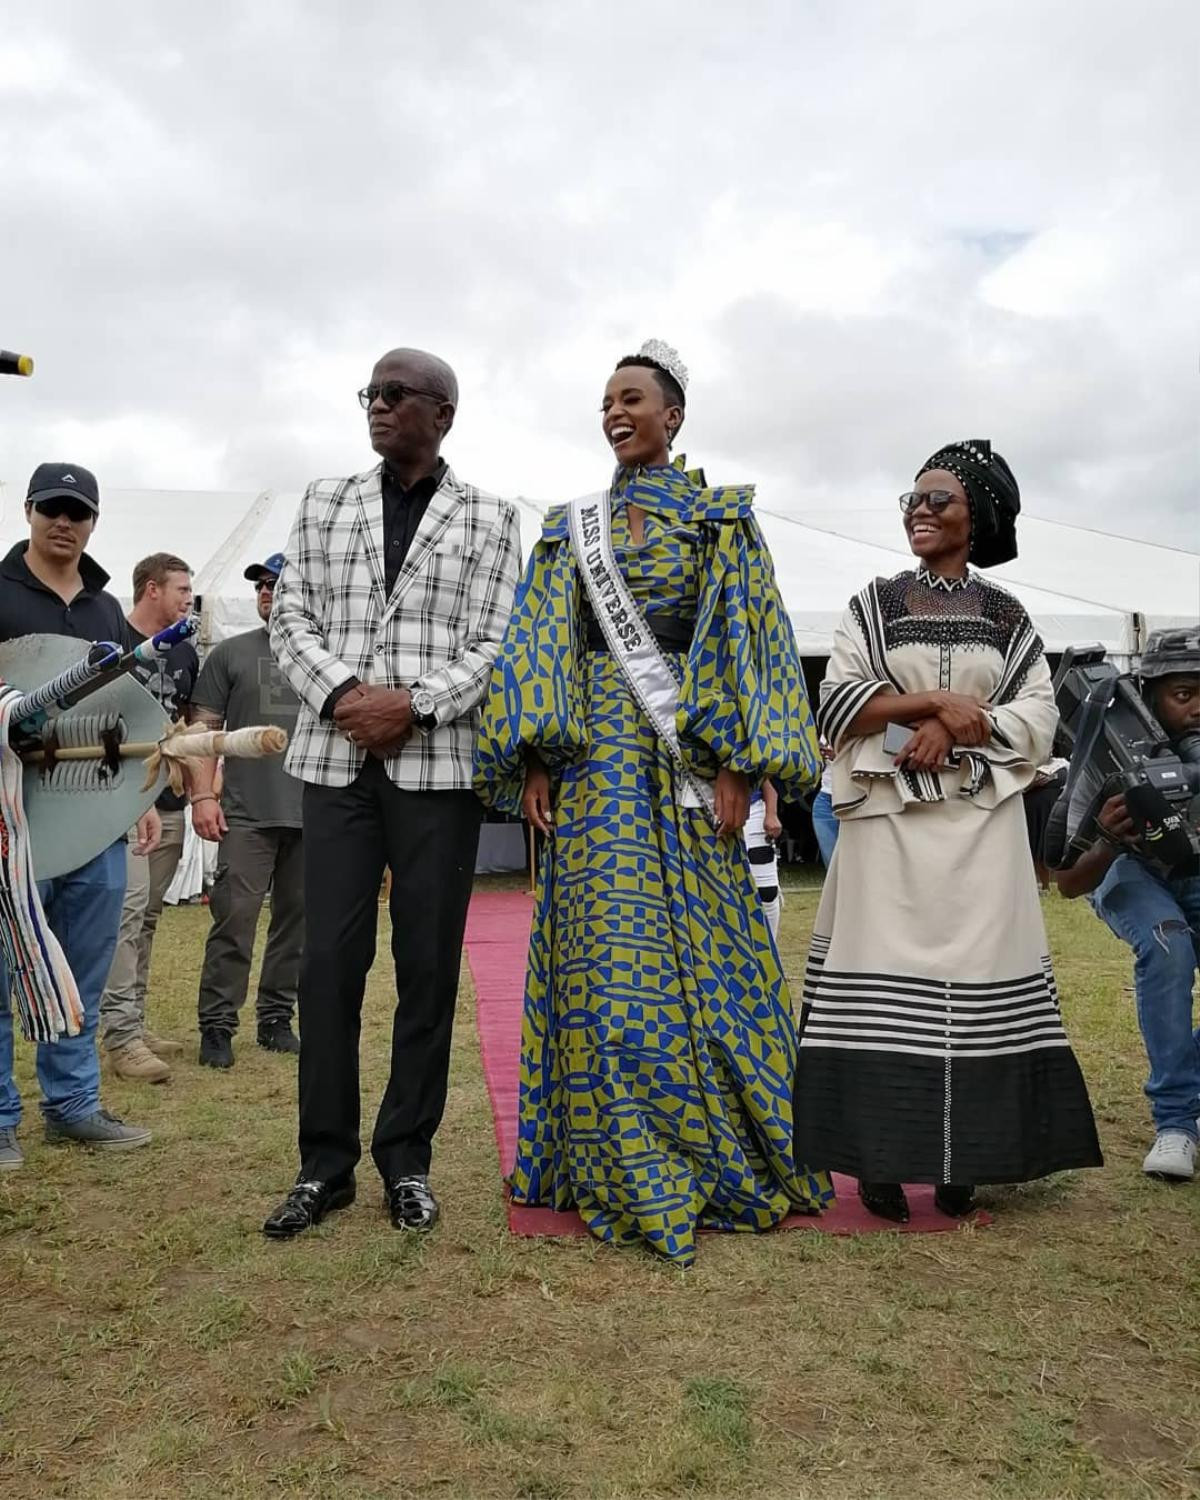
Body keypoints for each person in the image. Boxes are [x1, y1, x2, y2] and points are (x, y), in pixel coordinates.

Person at [474, 340, 833, 1266]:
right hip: (595, 753)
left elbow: (751, 641)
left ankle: (715, 1149)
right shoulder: (570, 525)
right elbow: (544, 641)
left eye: (632, 398)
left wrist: (736, 767)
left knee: (709, 942)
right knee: (599, 945)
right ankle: (610, 1158)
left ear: (674, 415)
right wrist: (538, 762)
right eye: (605, 401)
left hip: (687, 755)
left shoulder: (720, 519)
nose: (615, 412)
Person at [794, 439, 1102, 1223]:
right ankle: (879, 1166)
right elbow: (836, 701)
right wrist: (928, 710)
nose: (920, 512)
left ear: (979, 516)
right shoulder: (874, 601)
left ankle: (966, 1162)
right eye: (913, 501)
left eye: (940, 501)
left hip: (980, 830)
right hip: (887, 825)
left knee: (977, 984)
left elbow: (1040, 718)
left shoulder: (1008, 615)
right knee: (877, 984)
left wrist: (965, 728)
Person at [263, 348, 521, 1239]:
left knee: (427, 971)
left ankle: (406, 1161)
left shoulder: (490, 518)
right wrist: (343, 698)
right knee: (328, 967)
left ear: (442, 412)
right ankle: (322, 1166)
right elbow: (287, 620)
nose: (377, 406)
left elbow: (498, 643)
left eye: (396, 394)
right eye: (370, 393)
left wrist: (413, 705)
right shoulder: (321, 502)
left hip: (436, 771)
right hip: (335, 766)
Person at [0, 463, 154, 1169]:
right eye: (52, 509)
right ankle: (1, 1118)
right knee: (5, 967)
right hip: (14, 819)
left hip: (94, 816)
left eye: (78, 512)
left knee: (83, 969)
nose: (64, 523)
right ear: (28, 510)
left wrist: (142, 802)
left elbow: (131, 710)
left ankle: (72, 1106)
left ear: (93, 522)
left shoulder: (105, 611)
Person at [1054, 628, 1200, 1181]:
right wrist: (1111, 838)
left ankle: (1190, 1091)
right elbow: (1067, 882)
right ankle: (1177, 1124)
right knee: (1168, 947)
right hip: (1129, 872)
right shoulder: (1106, 752)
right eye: (1183, 695)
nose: (1197, 710)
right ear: (1148, 695)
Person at [190, 553, 304, 1069]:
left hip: (315, 813)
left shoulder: (325, 658)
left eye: (276, 584)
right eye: (260, 584)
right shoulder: (229, 655)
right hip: (246, 815)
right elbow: (202, 731)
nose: (265, 590)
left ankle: (277, 1018)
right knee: (233, 920)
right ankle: (218, 1024)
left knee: (297, 924)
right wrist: (203, 796)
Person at [98, 552, 197, 1083]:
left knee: (150, 916)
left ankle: (134, 1020)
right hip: (120, 800)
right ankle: (120, 1036)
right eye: (180, 589)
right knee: (126, 914)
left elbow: (184, 719)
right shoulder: (109, 637)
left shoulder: (183, 652)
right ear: (151, 589)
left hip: (170, 800)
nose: (188, 598)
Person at [744, 781, 784, 938]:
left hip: (753, 807)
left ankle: (771, 949)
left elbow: (766, 769)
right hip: (702, 807)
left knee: (767, 891)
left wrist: (771, 812)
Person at [810, 741, 839, 868]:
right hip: (825, 798)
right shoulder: (826, 727)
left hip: (854, 800)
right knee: (832, 866)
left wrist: (841, 756)